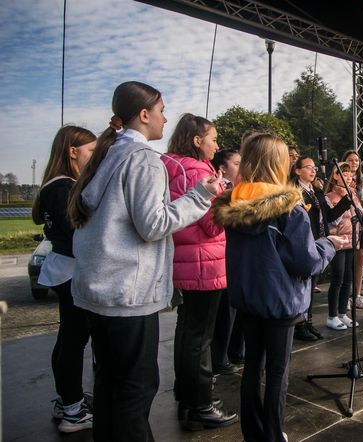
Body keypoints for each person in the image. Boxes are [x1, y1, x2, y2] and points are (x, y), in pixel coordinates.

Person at [67, 81, 223, 441]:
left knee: (109, 384)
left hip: (100, 291)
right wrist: (200, 194)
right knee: (136, 390)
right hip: (126, 295)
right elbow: (153, 224)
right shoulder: (141, 160)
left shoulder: (109, 154)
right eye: (162, 110)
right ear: (143, 114)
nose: (166, 118)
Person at [212, 132, 344, 442]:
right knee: (276, 373)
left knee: (252, 366)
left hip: (246, 299)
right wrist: (329, 244)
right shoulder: (289, 208)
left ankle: (253, 434)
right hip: (280, 301)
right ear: (277, 163)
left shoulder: (234, 202)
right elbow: (307, 262)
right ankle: (272, 435)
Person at [162, 114, 238, 430]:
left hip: (186, 260)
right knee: (201, 338)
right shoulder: (198, 171)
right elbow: (209, 224)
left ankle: (187, 394)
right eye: (213, 139)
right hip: (204, 263)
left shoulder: (174, 166)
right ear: (197, 141)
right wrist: (231, 199)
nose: (216, 145)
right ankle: (203, 404)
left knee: (188, 332)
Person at [32, 126, 96, 433]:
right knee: (74, 341)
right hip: (70, 270)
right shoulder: (63, 187)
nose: (94, 158)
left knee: (69, 339)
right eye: (91, 152)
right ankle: (72, 410)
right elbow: (77, 235)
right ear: (73, 151)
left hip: (64, 268)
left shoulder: (55, 185)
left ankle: (67, 399)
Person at [324, 162, 363, 330]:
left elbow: (362, 217)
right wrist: (344, 202)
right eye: (343, 173)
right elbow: (333, 221)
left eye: (349, 174)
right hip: (338, 242)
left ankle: (341, 314)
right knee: (337, 279)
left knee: (348, 279)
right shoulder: (329, 197)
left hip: (353, 241)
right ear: (335, 176)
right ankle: (331, 316)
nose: (347, 176)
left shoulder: (353, 194)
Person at [210, 148, 244, 373]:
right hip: (220, 258)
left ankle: (235, 350)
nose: (241, 167)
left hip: (235, 257)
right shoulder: (220, 192)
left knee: (236, 308)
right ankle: (219, 357)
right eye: (237, 163)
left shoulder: (240, 189)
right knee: (223, 311)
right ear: (222, 167)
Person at [290, 156, 328, 341]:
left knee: (312, 285)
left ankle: (308, 321)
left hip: (317, 238)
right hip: (305, 240)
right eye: (308, 167)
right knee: (303, 286)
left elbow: (325, 215)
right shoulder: (295, 191)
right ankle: (300, 324)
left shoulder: (314, 191)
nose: (313, 171)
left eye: (314, 168)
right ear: (297, 171)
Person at [341, 149, 363, 310]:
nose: (354, 163)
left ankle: (357, 294)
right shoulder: (340, 177)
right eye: (351, 160)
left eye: (356, 160)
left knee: (361, 258)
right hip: (347, 224)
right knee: (348, 259)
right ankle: (344, 296)